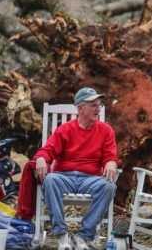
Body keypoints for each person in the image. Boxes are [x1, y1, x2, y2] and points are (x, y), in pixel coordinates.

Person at [33, 87, 118, 250]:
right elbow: (47, 150)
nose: (98, 108)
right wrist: (41, 159)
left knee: (109, 186)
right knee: (50, 180)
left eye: (99, 105)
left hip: (91, 179)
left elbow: (111, 156)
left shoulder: (106, 130)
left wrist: (111, 163)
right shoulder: (65, 130)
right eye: (93, 105)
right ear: (80, 108)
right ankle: (62, 235)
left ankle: (83, 236)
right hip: (64, 176)